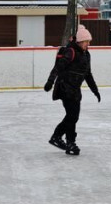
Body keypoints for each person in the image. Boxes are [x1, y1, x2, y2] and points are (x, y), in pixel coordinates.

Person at [43, 25, 100, 155]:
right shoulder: (71, 52)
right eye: (86, 41)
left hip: (75, 90)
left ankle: (63, 140)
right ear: (80, 41)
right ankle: (65, 140)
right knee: (72, 116)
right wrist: (50, 82)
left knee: (73, 117)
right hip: (64, 88)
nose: (88, 44)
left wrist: (95, 90)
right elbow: (58, 67)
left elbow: (88, 74)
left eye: (89, 41)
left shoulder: (86, 55)